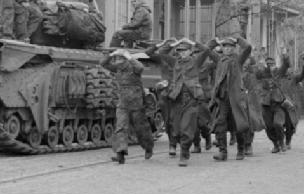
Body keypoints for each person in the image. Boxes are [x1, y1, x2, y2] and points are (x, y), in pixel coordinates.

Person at [150, 38, 213, 167]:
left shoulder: (196, 62)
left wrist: (193, 42)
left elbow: (207, 50)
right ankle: (183, 147)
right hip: (176, 99)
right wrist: (167, 45)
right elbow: (157, 54)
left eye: (185, 50)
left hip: (191, 99)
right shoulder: (175, 62)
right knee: (176, 130)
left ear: (190, 51)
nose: (182, 53)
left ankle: (184, 154)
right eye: (180, 51)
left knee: (186, 128)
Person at [100, 48, 154, 164]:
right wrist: (111, 54)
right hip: (123, 103)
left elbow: (140, 67)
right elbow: (103, 63)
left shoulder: (133, 67)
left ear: (125, 59)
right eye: (116, 59)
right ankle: (120, 153)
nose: (117, 61)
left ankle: (148, 147)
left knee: (141, 129)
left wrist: (129, 56)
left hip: (136, 104)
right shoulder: (117, 68)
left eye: (119, 59)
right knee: (120, 127)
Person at [208, 34, 253, 161]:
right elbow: (207, 50)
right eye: (225, 47)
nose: (227, 49)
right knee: (220, 123)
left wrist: (238, 39)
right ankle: (223, 152)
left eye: (230, 47)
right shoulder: (219, 60)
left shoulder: (238, 60)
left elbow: (248, 47)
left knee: (238, 125)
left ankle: (241, 149)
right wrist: (215, 42)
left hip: (236, 99)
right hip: (222, 98)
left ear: (234, 48)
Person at [254, 50, 290, 153]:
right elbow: (257, 73)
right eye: (268, 64)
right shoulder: (262, 73)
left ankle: (282, 142)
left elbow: (286, 65)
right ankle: (275, 144)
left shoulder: (279, 72)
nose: (270, 66)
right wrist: (259, 60)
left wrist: (285, 56)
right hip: (266, 104)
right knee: (268, 126)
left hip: (278, 103)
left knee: (278, 124)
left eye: (272, 64)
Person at [279, 52, 304, 150]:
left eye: (290, 69)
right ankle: (279, 141)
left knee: (290, 124)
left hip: (291, 106)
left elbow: (302, 75)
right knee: (277, 124)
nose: (288, 70)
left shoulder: (294, 78)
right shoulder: (278, 77)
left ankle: (288, 140)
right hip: (279, 104)